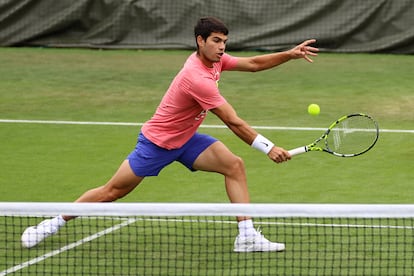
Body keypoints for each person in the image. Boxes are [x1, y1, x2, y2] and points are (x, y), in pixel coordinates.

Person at [21, 17, 318, 252]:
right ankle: (53, 222)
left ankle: (246, 236)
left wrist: (289, 55)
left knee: (234, 166)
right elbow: (233, 121)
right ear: (200, 41)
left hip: (187, 139)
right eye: (216, 41)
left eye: (224, 41)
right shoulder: (197, 78)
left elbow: (252, 64)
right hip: (157, 144)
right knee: (112, 192)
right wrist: (268, 148)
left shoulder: (214, 62)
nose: (222, 47)